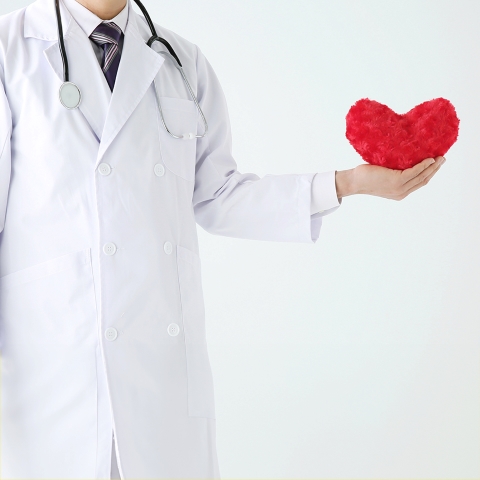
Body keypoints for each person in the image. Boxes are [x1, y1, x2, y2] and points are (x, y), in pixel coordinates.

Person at [0, 0, 445, 478]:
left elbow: (218, 196)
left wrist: (345, 183)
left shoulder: (181, 61)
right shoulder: (11, 50)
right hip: (53, 361)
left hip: (161, 368)